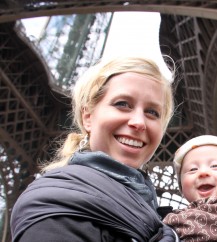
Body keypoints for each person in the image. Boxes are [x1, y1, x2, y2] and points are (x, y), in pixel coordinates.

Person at [10, 56, 180, 242]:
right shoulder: (56, 208)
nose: (139, 122)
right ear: (88, 117)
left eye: (152, 112)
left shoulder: (147, 209)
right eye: (122, 104)